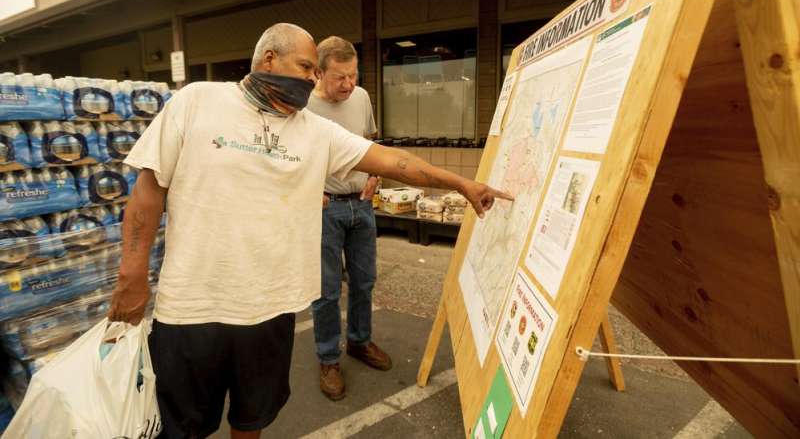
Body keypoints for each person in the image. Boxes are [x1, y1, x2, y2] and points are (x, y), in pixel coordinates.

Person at [108, 22, 511, 439]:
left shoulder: (315, 131)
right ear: (269, 59)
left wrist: (463, 184)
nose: (312, 79)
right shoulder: (197, 101)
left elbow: (394, 162)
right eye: (305, 66)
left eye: (316, 72)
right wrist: (133, 272)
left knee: (253, 418)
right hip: (191, 309)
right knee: (181, 427)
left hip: (270, 308)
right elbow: (149, 189)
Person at [305, 36, 383, 401]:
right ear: (319, 72)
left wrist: (374, 176)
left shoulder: (362, 97)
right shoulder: (303, 105)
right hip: (323, 209)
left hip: (361, 204)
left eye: (354, 75)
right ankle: (328, 358)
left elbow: (370, 142)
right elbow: (287, 155)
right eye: (341, 78)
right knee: (326, 290)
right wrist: (309, 187)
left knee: (365, 281)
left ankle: (359, 342)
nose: (349, 85)